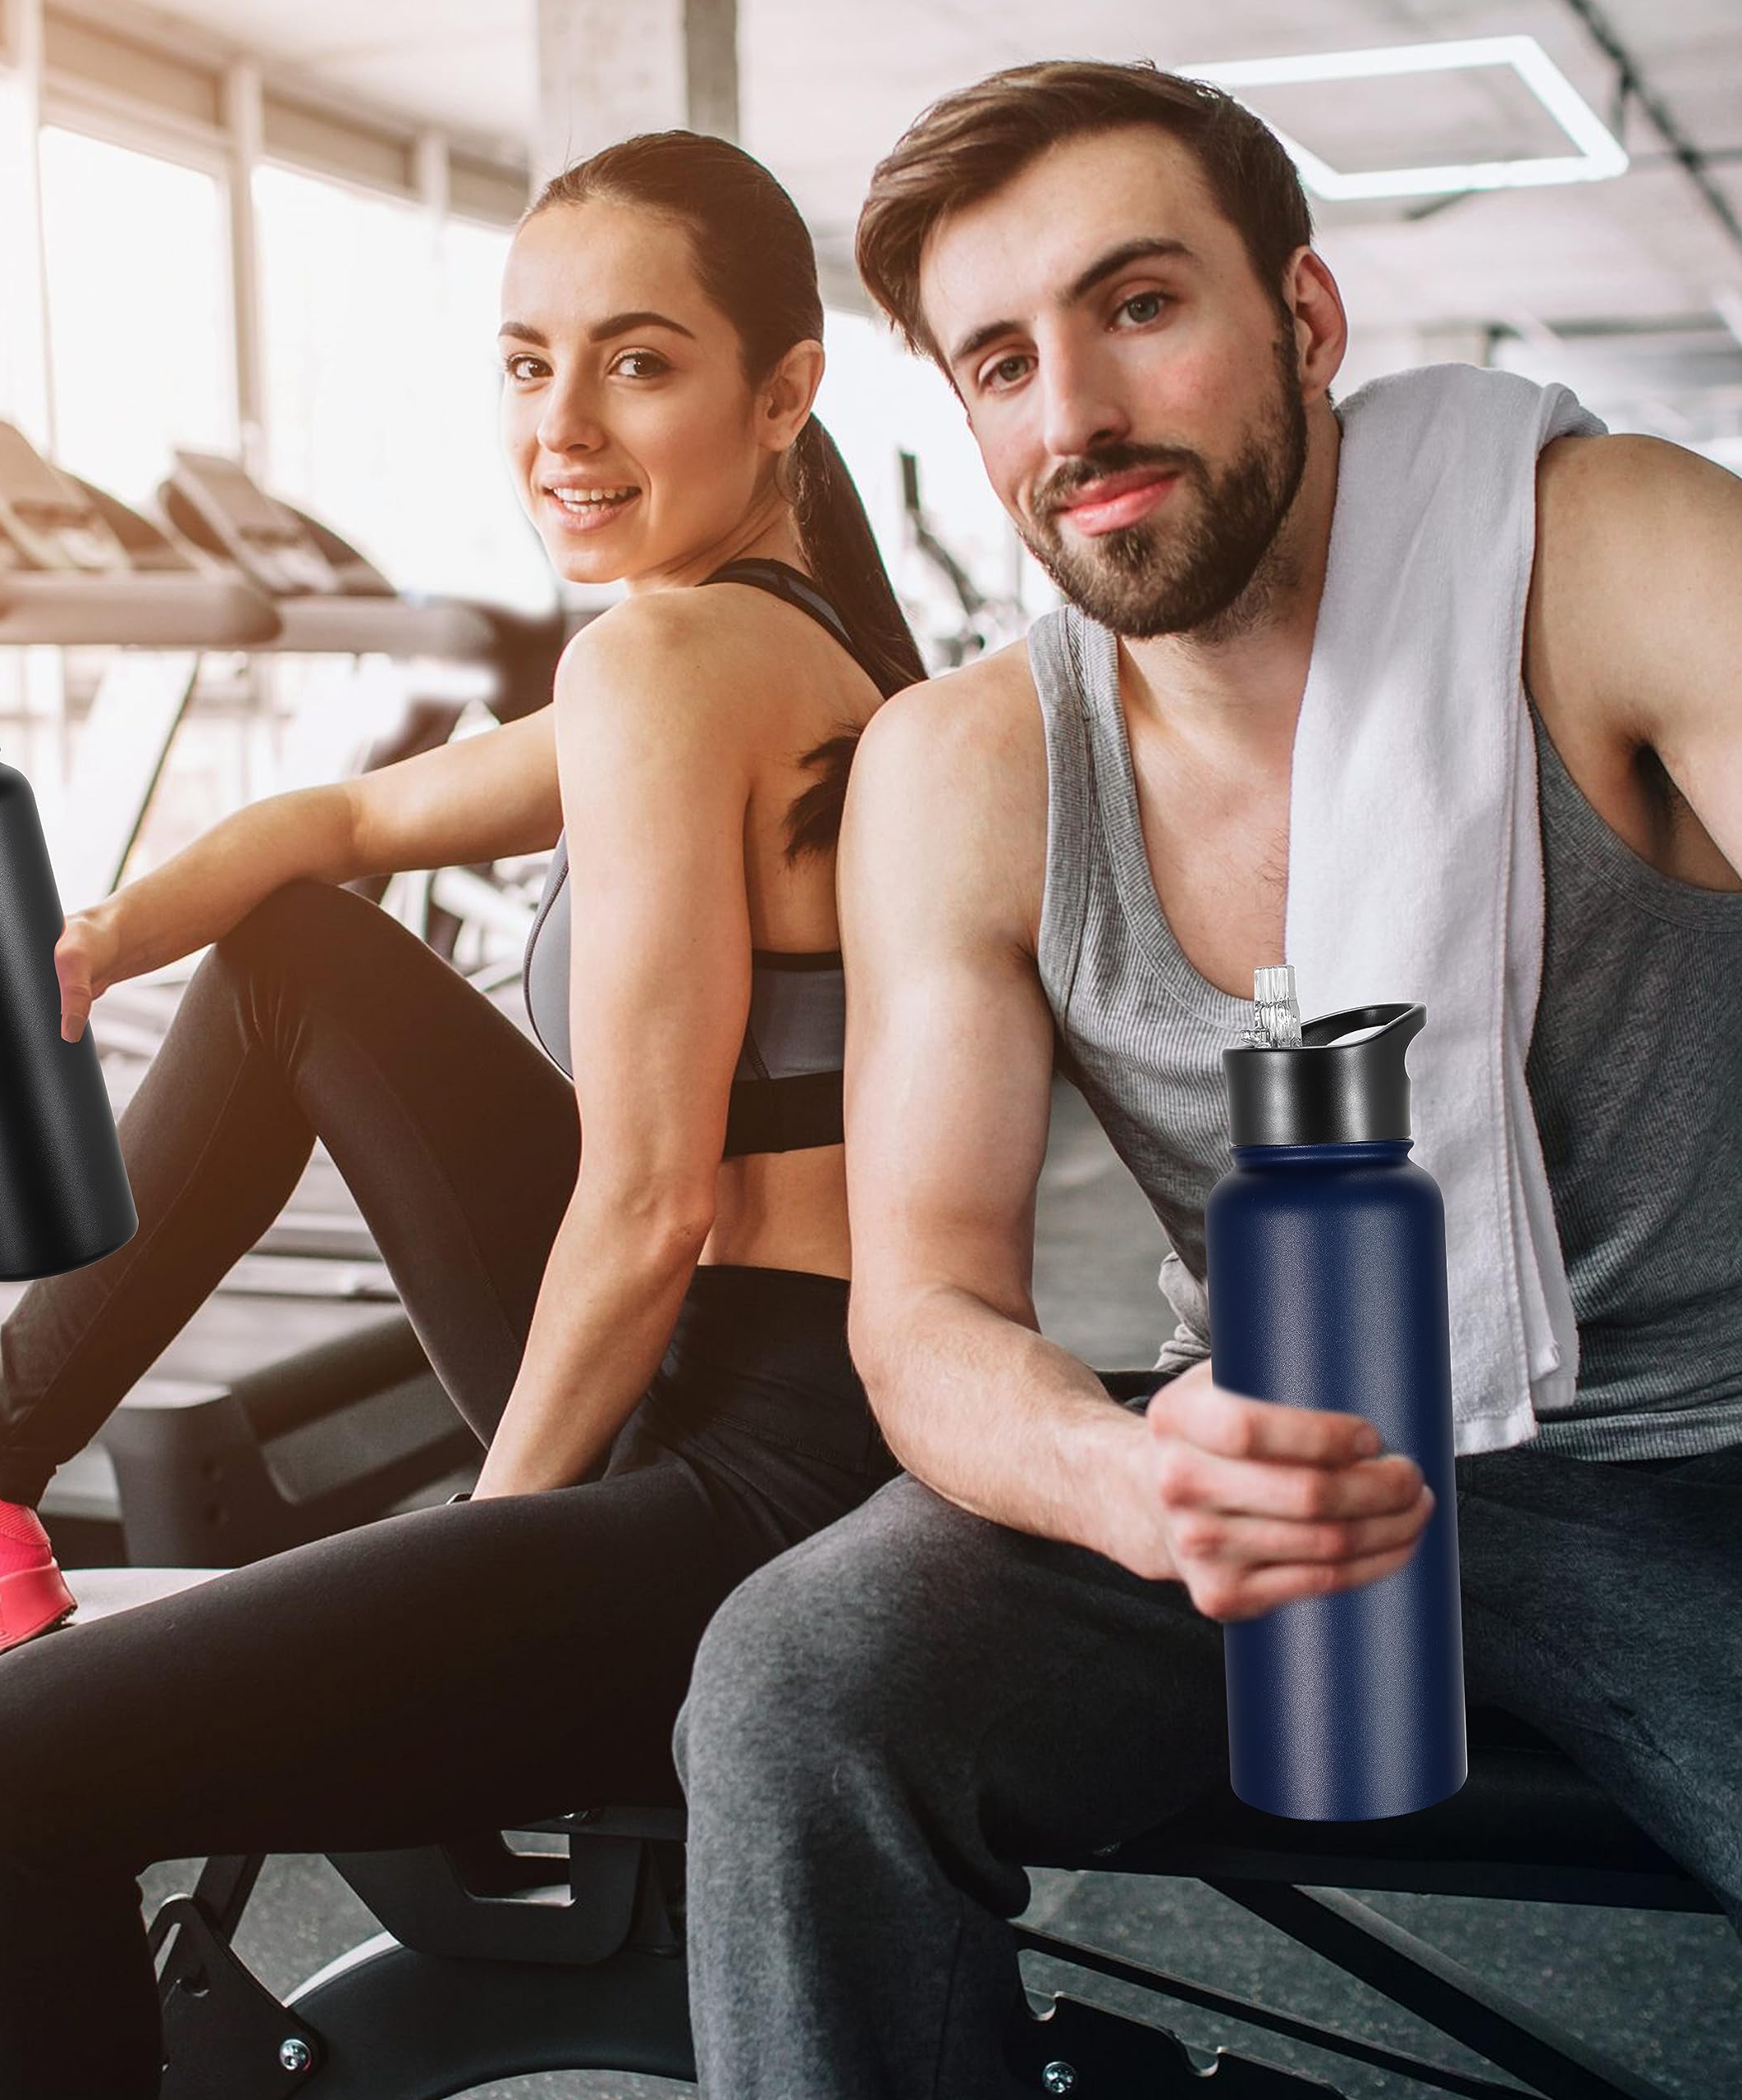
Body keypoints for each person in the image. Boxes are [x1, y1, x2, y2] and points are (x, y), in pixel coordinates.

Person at [0, 130, 922, 2097]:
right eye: (524, 362)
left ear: (782, 393)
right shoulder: (740, 638)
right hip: (769, 1386)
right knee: (294, 948)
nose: (561, 424)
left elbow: (652, 1196)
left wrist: (484, 1576)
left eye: (635, 362)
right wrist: (87, 944)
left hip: (767, 1457)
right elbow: (328, 828)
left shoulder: (674, 658)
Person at [676, 59, 1742, 2098]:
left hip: (1687, 1472)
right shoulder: (967, 767)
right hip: (1247, 1450)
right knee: (796, 1678)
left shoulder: (1604, 554)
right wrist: (1131, 1475)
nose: (1069, 412)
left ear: (1304, 324)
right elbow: (924, 1310)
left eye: (1136, 307)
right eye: (998, 362)